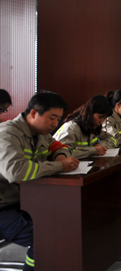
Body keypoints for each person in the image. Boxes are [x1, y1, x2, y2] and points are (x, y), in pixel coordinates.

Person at [0, 92, 79, 270]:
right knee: (44, 236)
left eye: (58, 119)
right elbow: (17, 172)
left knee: (64, 222)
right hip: (3, 207)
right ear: (34, 113)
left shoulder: (41, 134)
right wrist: (59, 166)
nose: (55, 124)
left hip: (24, 201)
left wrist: (60, 157)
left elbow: (61, 147)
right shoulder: (7, 134)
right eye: (52, 118)